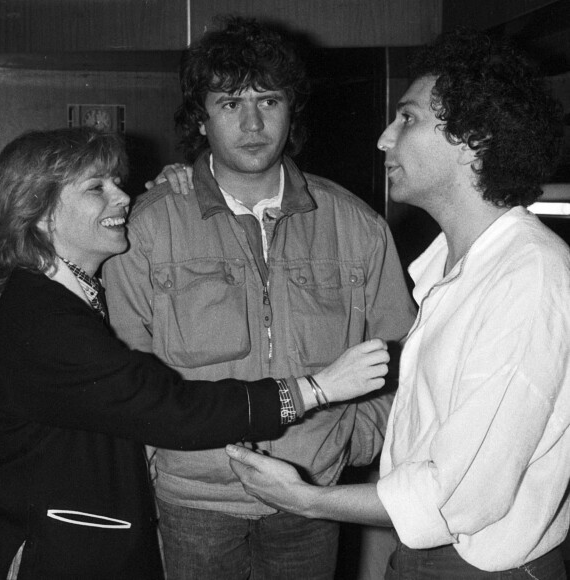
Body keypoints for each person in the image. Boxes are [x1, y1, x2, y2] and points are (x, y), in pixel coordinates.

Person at [226, 27, 570, 580]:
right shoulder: (452, 269)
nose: (385, 138)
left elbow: (457, 494)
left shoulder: (528, 279)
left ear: (472, 137)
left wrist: (308, 499)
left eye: (407, 119)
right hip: (431, 556)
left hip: (482, 566)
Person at [0, 127, 390, 580]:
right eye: (96, 188)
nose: (123, 198)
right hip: (60, 551)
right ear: (40, 213)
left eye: (117, 182)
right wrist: (315, 389)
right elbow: (168, 407)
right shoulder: (43, 318)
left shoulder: (64, 295)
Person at [103, 15, 416, 580]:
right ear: (201, 117)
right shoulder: (148, 227)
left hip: (311, 497)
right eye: (229, 104)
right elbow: (126, 373)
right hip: (192, 501)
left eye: (269, 101)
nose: (252, 123)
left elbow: (404, 358)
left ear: (291, 109)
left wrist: (345, 445)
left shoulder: (355, 225)